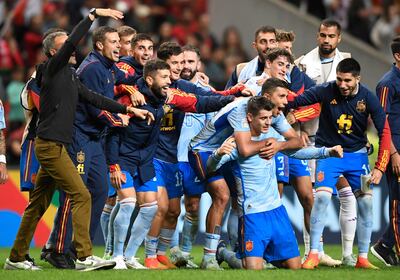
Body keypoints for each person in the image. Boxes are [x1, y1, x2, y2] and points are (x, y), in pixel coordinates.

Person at [4, 8, 149, 271]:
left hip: (55, 144)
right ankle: (83, 255)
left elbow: (94, 98)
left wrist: (128, 109)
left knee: (38, 204)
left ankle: (16, 257)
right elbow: (73, 41)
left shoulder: (70, 76)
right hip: (50, 145)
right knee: (81, 193)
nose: (72, 51)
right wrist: (92, 16)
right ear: (53, 53)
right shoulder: (51, 69)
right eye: (64, 48)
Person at [108, 59, 236, 270]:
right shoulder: (130, 99)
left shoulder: (168, 96)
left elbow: (201, 103)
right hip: (125, 158)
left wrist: (231, 99)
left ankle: (130, 257)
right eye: (165, 77)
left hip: (145, 161)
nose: (170, 81)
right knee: (129, 203)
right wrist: (113, 165)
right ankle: (117, 256)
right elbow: (113, 132)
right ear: (149, 79)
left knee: (150, 208)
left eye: (169, 77)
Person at [210, 96, 343, 270]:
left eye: (270, 118)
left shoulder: (273, 136)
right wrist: (218, 154)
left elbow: (296, 153)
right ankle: (223, 252)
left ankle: (262, 255)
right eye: (263, 118)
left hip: (277, 211)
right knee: (253, 269)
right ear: (250, 117)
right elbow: (211, 167)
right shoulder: (238, 144)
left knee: (295, 266)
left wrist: (326, 152)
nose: (267, 122)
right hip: (253, 214)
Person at [189, 77, 302, 269]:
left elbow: (296, 141)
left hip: (230, 151)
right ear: (267, 96)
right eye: (281, 96)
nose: (285, 101)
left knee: (239, 201)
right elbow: (245, 149)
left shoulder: (270, 112)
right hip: (204, 150)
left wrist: (279, 145)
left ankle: (238, 251)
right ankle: (209, 255)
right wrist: (272, 143)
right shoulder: (242, 109)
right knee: (222, 196)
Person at [290, 58, 391, 270]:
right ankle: (314, 254)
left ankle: (362, 257)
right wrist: (279, 100)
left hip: (358, 158)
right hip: (329, 156)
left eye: (347, 80)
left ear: (357, 79)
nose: (342, 85)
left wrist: (380, 167)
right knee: (323, 198)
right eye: (339, 79)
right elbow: (298, 100)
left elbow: (384, 131)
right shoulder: (326, 91)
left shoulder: (368, 98)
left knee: (365, 204)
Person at [295, 19, 352, 266]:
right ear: (317, 36)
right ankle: (313, 252)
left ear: (339, 38)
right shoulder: (303, 64)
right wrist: (297, 127)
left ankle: (349, 255)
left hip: (342, 140)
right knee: (314, 197)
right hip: (312, 139)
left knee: (349, 194)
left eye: (331, 36)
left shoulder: (348, 63)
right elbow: (295, 100)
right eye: (322, 35)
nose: (326, 40)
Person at [168, 45, 214, 268]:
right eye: (181, 62)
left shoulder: (207, 92)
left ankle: (184, 254)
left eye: (189, 62)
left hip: (192, 158)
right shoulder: (166, 87)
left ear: (198, 64)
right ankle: (169, 252)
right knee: (170, 208)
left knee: (193, 207)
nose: (185, 67)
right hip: (168, 156)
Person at [371, 36, 400, 266]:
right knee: (399, 203)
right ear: (398, 56)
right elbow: (382, 122)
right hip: (396, 151)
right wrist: (393, 153)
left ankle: (384, 245)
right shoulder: (387, 84)